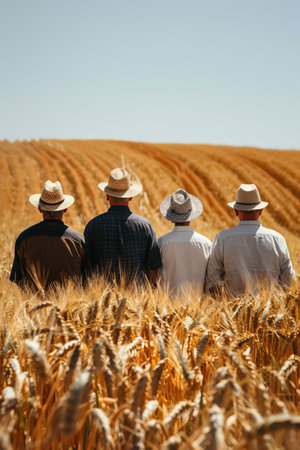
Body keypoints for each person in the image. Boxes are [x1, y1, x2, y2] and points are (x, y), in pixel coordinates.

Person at [206, 184, 296, 296]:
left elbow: (213, 281)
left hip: (234, 311)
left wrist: (220, 307)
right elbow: (290, 280)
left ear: (236, 211)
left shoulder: (222, 238)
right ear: (261, 211)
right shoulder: (278, 239)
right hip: (273, 310)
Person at [83, 168, 162, 285]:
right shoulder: (145, 226)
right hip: (137, 299)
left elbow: (86, 267)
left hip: (102, 297)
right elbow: (153, 267)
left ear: (107, 196)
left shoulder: (93, 226)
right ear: (130, 197)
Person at [10, 180, 85, 291]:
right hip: (70, 306)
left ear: (40, 209)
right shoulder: (79, 241)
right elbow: (87, 280)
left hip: (33, 306)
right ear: (65, 209)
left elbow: (18, 280)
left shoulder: (24, 239)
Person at [158, 189, 212, 296]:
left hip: (166, 310)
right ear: (191, 216)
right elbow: (211, 278)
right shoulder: (206, 243)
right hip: (199, 309)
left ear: (171, 219)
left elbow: (155, 277)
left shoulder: (162, 243)